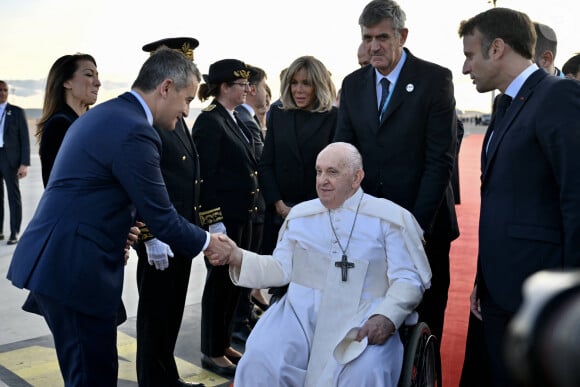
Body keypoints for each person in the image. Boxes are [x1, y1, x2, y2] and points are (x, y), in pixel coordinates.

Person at [6, 48, 232, 386]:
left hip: (65, 260)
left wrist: (120, 226)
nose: (187, 109)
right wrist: (209, 242)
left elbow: (93, 191)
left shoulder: (110, 113)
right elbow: (162, 215)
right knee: (92, 377)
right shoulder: (134, 129)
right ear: (165, 88)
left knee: (89, 371)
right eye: (186, 99)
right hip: (75, 267)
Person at [210, 142, 431, 386]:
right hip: (302, 316)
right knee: (261, 358)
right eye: (318, 171)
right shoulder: (301, 216)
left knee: (365, 371)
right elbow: (281, 268)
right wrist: (237, 256)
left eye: (332, 172)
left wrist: (387, 316)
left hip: (362, 318)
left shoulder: (389, 219)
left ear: (357, 177)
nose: (322, 180)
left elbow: (408, 279)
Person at [458, 7, 580, 386]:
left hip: (543, 295)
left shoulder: (558, 96)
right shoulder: (504, 103)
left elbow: (576, 198)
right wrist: (483, 276)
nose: (465, 68)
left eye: (470, 54)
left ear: (497, 48)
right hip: (500, 291)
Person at [335, 0, 458, 343]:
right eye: (367, 37)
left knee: (425, 321)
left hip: (424, 224)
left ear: (402, 36)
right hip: (369, 226)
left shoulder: (435, 79)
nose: (373, 46)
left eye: (383, 37)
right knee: (374, 318)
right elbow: (344, 153)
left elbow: (440, 160)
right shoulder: (354, 83)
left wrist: (414, 225)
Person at [135, 37, 205, 387]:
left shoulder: (176, 119)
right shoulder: (146, 124)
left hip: (180, 233)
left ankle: (166, 378)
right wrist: (149, 237)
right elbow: (139, 187)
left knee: (170, 314)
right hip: (162, 239)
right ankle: (153, 380)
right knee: (154, 317)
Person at [193, 58, 259, 376]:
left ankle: (223, 344)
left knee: (235, 283)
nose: (248, 89)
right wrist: (213, 221)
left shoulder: (230, 118)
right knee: (219, 284)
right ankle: (211, 351)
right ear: (224, 88)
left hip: (241, 217)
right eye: (241, 84)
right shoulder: (209, 121)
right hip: (224, 221)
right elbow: (204, 177)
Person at [259, 55, 338, 257]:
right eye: (294, 83)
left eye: (306, 83)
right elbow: (266, 163)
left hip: (319, 213)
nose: (298, 90)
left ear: (318, 85)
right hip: (280, 213)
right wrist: (278, 204)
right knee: (280, 280)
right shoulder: (278, 112)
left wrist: (311, 208)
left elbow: (336, 171)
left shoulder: (334, 117)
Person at [232, 64, 269, 342]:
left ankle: (243, 314)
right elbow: (260, 159)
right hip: (244, 208)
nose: (267, 94)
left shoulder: (249, 119)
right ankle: (238, 321)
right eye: (263, 87)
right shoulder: (244, 120)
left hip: (253, 207)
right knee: (238, 274)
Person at [36, 54, 101, 188]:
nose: (98, 83)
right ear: (67, 82)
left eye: (97, 76)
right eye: (89, 75)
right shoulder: (59, 125)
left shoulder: (87, 124)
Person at [0, 80, 30, 245]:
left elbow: (24, 139)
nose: (3, 93)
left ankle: (14, 232)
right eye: (0, 90)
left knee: (13, 197)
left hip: (10, 159)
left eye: (5, 90)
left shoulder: (17, 112)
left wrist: (24, 163)